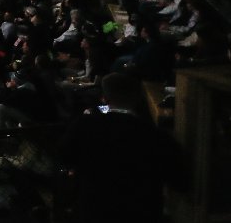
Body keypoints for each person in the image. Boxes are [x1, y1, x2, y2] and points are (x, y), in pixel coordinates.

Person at [58, 73, 185, 223]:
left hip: (93, 209)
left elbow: (64, 157)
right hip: (142, 213)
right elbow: (180, 179)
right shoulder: (154, 135)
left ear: (104, 98)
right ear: (138, 99)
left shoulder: (84, 125)